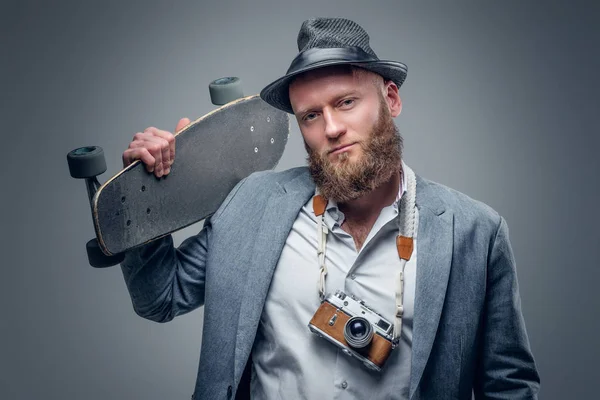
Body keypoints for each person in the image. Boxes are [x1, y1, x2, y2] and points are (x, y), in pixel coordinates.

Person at [120, 17, 540, 400]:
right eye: (310, 116)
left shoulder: (475, 232)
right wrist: (150, 199)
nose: (332, 129)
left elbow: (507, 386)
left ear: (391, 100)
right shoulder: (251, 203)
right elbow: (159, 298)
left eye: (346, 103)